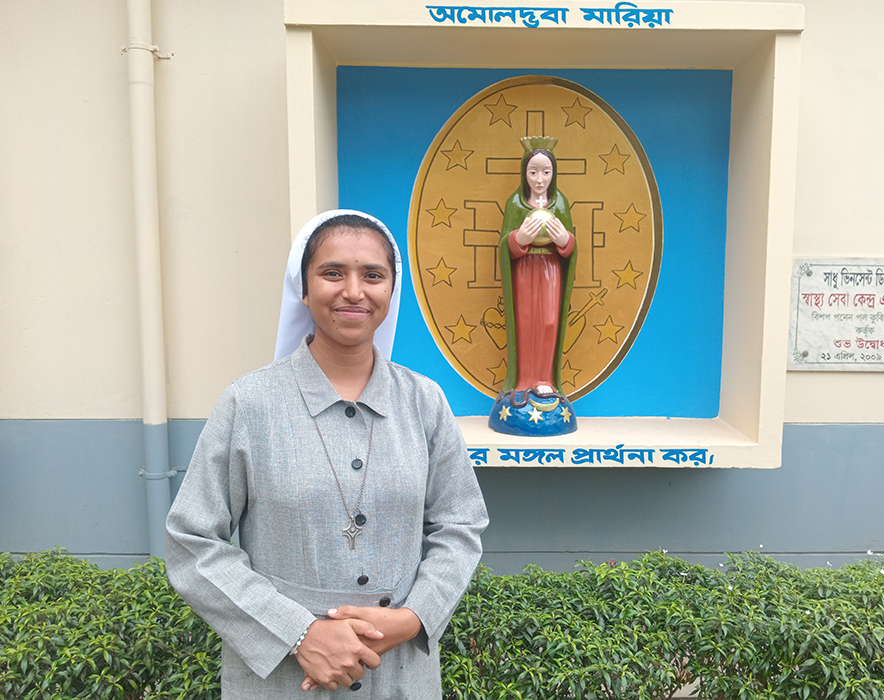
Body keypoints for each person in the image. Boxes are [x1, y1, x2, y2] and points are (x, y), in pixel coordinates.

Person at [165, 210, 489, 698]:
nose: (354, 291)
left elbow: (460, 525)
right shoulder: (249, 404)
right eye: (333, 272)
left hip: (399, 676)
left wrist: (414, 616)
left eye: (373, 276)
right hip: (283, 680)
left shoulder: (424, 401)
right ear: (304, 286)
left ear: (390, 291)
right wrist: (298, 631)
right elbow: (191, 541)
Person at [498, 137, 577, 399]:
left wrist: (564, 241)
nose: (540, 179)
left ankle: (545, 377)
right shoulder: (515, 203)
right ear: (524, 173)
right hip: (524, 271)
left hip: (550, 270)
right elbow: (504, 243)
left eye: (546, 172)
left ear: (554, 174)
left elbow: (571, 245)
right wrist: (518, 240)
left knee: (548, 321)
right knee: (526, 321)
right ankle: (524, 379)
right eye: (533, 172)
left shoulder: (560, 203)